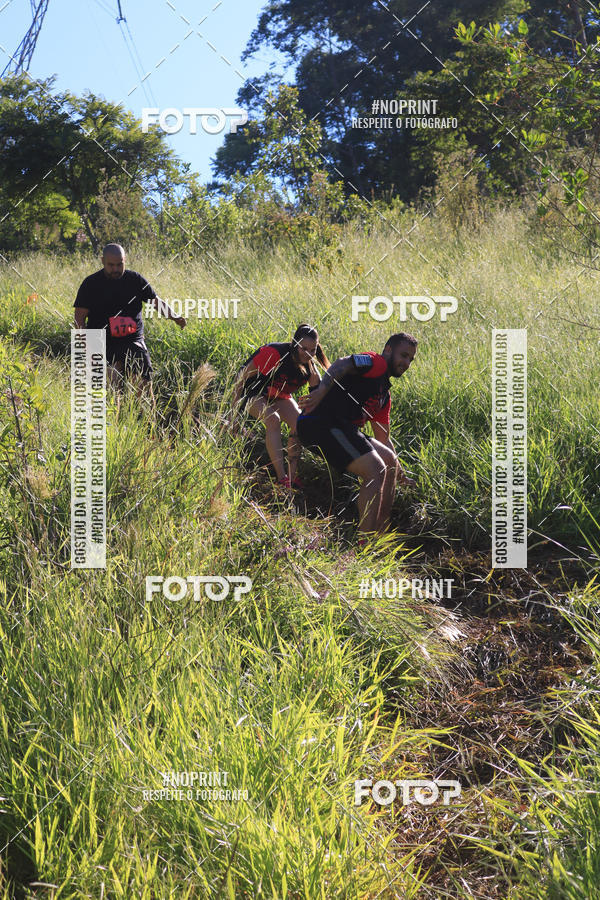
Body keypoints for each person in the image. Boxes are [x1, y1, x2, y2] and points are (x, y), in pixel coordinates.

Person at [296, 332, 417, 537]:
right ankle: (365, 543)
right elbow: (343, 363)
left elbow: (384, 439)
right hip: (320, 423)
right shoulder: (375, 362)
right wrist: (321, 390)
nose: (406, 362)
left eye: (410, 359)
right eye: (403, 355)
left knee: (388, 460)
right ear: (388, 349)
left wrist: (401, 472)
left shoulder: (383, 396)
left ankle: (381, 533)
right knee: (376, 469)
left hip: (341, 429)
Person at [73, 243, 186, 403]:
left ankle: (148, 425)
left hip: (133, 341)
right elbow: (79, 318)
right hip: (102, 342)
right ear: (102, 261)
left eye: (120, 264)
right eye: (111, 265)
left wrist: (175, 317)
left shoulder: (135, 280)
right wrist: (87, 346)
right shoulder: (91, 284)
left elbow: (155, 302)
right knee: (111, 396)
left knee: (145, 394)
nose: (116, 269)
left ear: (124, 260)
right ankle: (116, 425)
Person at [232, 324, 330, 489]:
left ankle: (292, 478)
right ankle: (281, 477)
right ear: (294, 344)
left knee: (300, 423)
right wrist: (233, 414)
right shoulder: (274, 354)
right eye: (303, 348)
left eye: (313, 350)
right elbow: (240, 378)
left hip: (277, 395)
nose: (308, 354)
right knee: (273, 419)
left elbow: (314, 403)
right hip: (251, 392)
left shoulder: (311, 369)